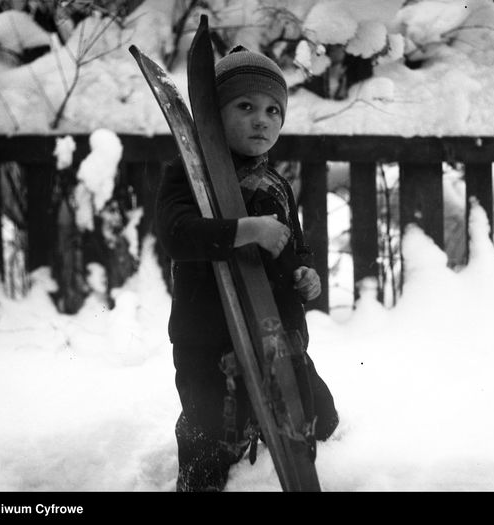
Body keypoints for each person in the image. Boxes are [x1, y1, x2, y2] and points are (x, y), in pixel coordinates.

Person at [156, 46, 339, 492]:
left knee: (320, 416)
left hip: (278, 338)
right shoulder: (190, 174)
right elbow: (178, 235)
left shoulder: (275, 183)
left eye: (274, 110)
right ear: (214, 116)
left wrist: (304, 273)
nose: (263, 119)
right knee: (210, 433)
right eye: (246, 106)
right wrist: (243, 230)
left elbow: (293, 245)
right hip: (211, 341)